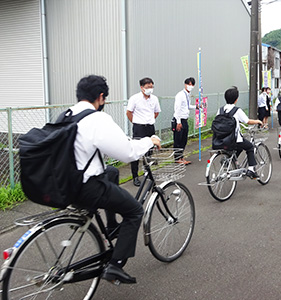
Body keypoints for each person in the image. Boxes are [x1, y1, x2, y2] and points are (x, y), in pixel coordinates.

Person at [70, 75, 161, 284]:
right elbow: (128, 153)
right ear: (101, 97)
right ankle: (116, 265)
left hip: (65, 184)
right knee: (135, 211)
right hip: (87, 187)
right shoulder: (96, 118)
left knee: (111, 172)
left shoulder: (67, 115)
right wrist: (149, 141)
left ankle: (111, 226)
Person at [220, 87, 263, 179]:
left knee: (238, 148)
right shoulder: (237, 110)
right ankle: (251, 170)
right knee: (250, 147)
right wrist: (258, 121)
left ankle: (229, 160)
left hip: (221, 139)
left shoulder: (220, 110)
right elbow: (247, 121)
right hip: (234, 139)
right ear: (236, 99)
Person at [127, 77, 161, 187]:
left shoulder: (154, 99)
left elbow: (156, 112)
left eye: (151, 87)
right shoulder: (135, 98)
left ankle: (147, 173)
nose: (150, 89)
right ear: (142, 88)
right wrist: (136, 122)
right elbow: (129, 112)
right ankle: (135, 176)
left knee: (149, 150)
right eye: (147, 87)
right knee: (136, 152)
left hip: (150, 127)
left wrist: (150, 120)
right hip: (138, 128)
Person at [172, 77, 197, 164]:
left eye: (192, 85)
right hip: (179, 120)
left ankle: (181, 157)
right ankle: (177, 158)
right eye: (189, 84)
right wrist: (178, 122)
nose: (190, 86)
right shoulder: (180, 95)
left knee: (184, 140)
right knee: (178, 140)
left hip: (184, 119)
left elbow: (188, 106)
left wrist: (196, 107)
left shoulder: (187, 95)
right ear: (185, 84)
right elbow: (177, 108)